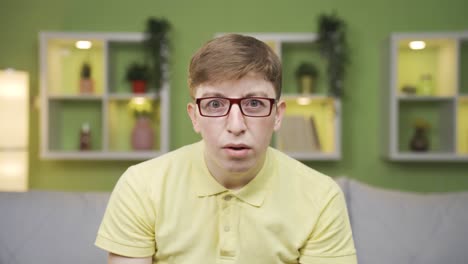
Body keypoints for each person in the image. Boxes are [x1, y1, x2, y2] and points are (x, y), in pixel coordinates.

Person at [95, 33, 357, 264]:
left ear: (277, 115)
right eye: (215, 104)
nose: (235, 125)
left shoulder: (322, 197)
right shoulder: (140, 185)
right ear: (195, 116)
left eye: (254, 103)